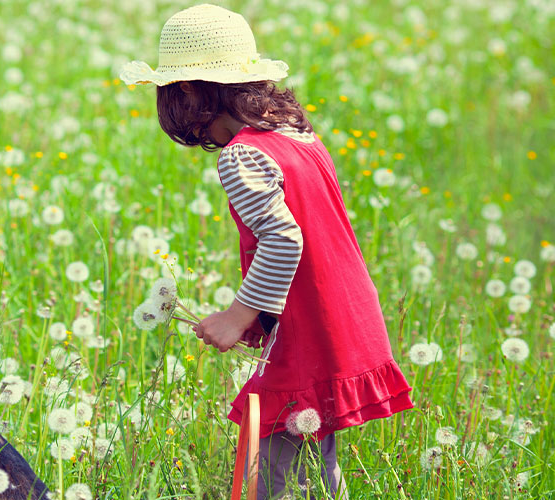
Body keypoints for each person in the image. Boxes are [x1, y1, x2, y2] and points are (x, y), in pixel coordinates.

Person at [120, 4, 414, 498]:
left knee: (268, 470)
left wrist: (238, 316)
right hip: (345, 312)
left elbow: (283, 238)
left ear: (188, 94)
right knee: (314, 457)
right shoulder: (295, 135)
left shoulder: (241, 155)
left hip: (306, 324)